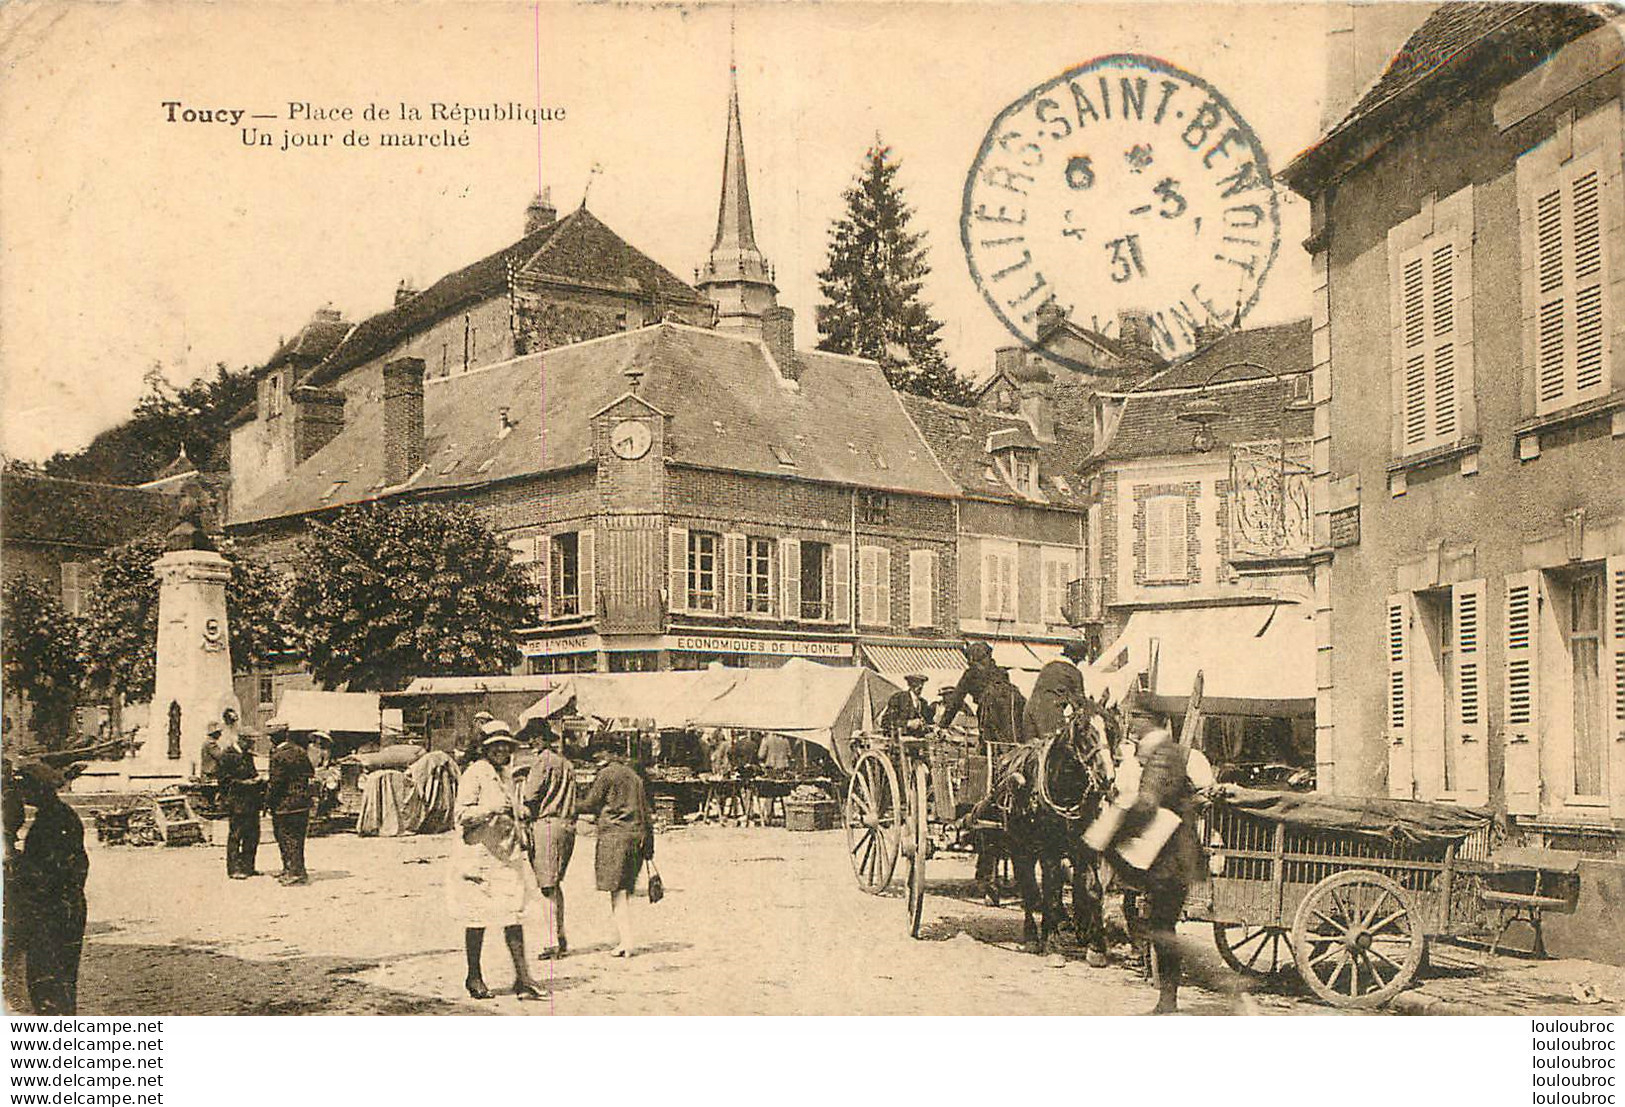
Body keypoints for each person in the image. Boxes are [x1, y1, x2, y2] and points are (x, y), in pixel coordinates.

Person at [1110, 719, 1215, 1015]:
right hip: (1171, 853)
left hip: (1173, 857)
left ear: (1144, 738)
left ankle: (1177, 995)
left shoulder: (1161, 757)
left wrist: (1113, 829)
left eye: (1135, 742)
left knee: (1161, 927)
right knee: (1160, 924)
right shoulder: (1170, 754)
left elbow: (1148, 803)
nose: (1135, 750)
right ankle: (1167, 999)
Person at [447, 720, 546, 1000]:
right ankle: (474, 976)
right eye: (495, 745)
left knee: (514, 914)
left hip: (505, 854)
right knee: (477, 917)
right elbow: (461, 815)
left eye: (505, 744)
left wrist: (519, 810)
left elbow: (509, 807)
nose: (501, 749)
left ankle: (523, 978)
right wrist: (491, 809)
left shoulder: (505, 774)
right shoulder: (475, 774)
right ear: (485, 748)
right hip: (479, 856)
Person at [939, 643, 1027, 903]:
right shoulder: (1003, 674)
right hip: (1011, 740)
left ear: (971, 658)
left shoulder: (970, 674)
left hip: (989, 728)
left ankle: (985, 869)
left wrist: (942, 724)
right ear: (989, 656)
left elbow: (955, 701)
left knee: (983, 758)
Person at [13, 761, 88, 1014]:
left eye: (27, 789)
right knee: (62, 979)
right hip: (67, 907)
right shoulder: (60, 815)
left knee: (47, 981)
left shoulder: (52, 821)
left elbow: (52, 869)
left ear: (39, 790)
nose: (24, 795)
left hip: (53, 911)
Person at [577, 744, 654, 958]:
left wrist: (570, 804)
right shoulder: (634, 775)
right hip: (636, 835)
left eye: (598, 752)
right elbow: (646, 809)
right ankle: (625, 939)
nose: (595, 757)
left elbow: (591, 803)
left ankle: (626, 941)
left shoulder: (606, 774)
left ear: (609, 753)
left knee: (617, 892)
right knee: (626, 890)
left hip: (615, 836)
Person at [520, 723, 576, 959]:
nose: (533, 742)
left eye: (537, 738)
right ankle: (560, 936)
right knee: (555, 884)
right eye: (531, 738)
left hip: (548, 825)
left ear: (545, 739)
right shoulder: (566, 763)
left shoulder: (542, 762)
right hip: (567, 825)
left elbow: (530, 795)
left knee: (546, 887)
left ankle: (552, 941)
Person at [266, 722, 314, 886]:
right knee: (298, 838)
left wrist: (268, 802)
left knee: (286, 837)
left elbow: (275, 783)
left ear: (274, 738)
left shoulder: (278, 755)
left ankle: (293, 872)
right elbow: (310, 772)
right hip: (302, 802)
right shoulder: (300, 751)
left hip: (284, 804)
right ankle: (296, 870)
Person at [1022, 640, 1093, 744]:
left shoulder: (1048, 666)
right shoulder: (1074, 673)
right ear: (1077, 658)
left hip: (1029, 709)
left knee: (1030, 750)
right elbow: (1079, 703)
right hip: (1049, 713)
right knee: (1056, 750)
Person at [215, 724, 262, 879]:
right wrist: (245, 783)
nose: (252, 745)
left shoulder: (247, 755)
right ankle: (234, 868)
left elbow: (252, 773)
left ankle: (248, 866)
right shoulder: (227, 755)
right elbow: (224, 781)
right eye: (250, 741)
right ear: (241, 740)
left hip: (251, 801)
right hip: (236, 801)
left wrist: (257, 780)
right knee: (236, 834)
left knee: (252, 834)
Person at [199, 719, 224, 783]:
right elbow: (219, 756)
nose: (220, 734)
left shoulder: (208, 742)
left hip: (208, 774)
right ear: (214, 733)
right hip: (210, 774)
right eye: (218, 732)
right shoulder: (211, 743)